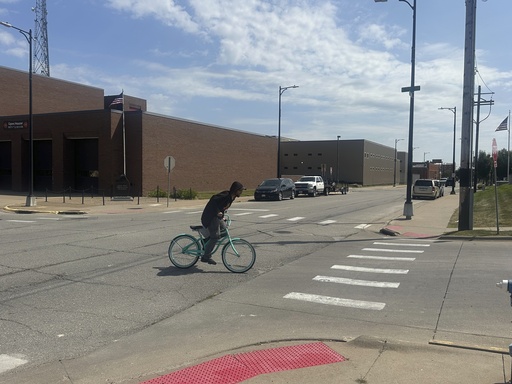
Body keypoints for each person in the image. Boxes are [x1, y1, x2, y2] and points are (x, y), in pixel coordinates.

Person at [200, 181, 245, 264]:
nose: (241, 192)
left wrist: (222, 215)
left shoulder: (232, 197)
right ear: (235, 190)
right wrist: (217, 212)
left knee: (224, 231)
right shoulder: (226, 195)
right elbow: (213, 200)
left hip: (216, 217)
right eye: (240, 190)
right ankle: (206, 256)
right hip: (210, 217)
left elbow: (222, 207)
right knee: (215, 237)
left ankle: (206, 241)